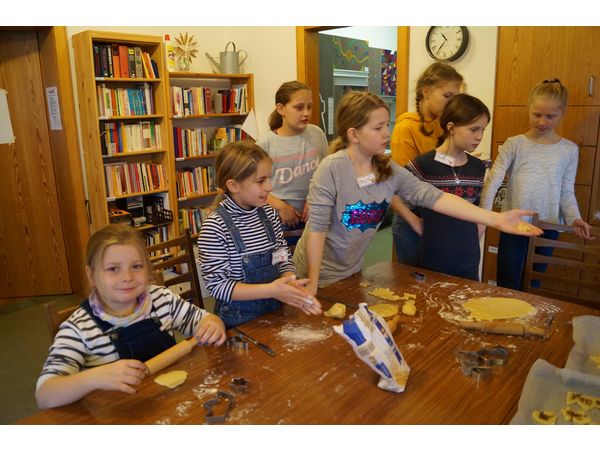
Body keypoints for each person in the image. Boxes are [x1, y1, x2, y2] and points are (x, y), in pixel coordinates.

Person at [291, 90, 542, 293]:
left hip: (351, 269)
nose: (386, 133)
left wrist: (495, 218)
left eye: (386, 125)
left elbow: (436, 197)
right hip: (313, 269)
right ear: (354, 134)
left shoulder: (388, 169)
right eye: (378, 128)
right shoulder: (332, 168)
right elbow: (317, 229)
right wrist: (312, 282)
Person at [36, 223, 226, 409]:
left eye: (136, 266)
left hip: (172, 403)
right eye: (113, 269)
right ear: (91, 275)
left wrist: (213, 323)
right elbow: (45, 394)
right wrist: (96, 377)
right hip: (119, 416)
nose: (127, 277)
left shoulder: (161, 299)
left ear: (147, 269)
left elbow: (205, 320)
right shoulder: (79, 329)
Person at [480, 79, 594, 290]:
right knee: (507, 284)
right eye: (537, 114)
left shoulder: (569, 150)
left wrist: (575, 218)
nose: (542, 121)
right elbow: (493, 180)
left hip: (547, 226)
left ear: (563, 113)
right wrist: (483, 217)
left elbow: (566, 191)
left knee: (532, 284)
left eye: (550, 116)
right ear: (529, 109)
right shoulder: (515, 143)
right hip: (513, 224)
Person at [198, 141, 322, 328]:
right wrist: (271, 290)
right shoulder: (215, 228)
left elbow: (282, 258)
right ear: (233, 185)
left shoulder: (269, 214)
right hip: (239, 322)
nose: (270, 187)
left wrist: (290, 281)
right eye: (261, 181)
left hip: (275, 311)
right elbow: (219, 287)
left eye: (269, 179)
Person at [403, 93, 489, 281]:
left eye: (483, 130)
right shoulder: (423, 164)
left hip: (468, 256)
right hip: (433, 254)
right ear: (451, 127)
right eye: (474, 129)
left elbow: (479, 205)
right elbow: (393, 191)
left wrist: (477, 233)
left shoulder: (478, 167)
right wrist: (414, 222)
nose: (479, 136)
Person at [390, 62, 464, 266]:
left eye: (455, 98)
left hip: (437, 212)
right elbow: (402, 184)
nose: (452, 103)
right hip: (412, 216)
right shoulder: (406, 128)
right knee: (412, 283)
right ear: (426, 92)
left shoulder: (444, 125)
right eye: (447, 96)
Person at [256, 81, 328, 246]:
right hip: (279, 221)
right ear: (281, 109)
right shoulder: (265, 143)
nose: (306, 113)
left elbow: (325, 173)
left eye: (309, 107)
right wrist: (281, 207)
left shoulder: (317, 134)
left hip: (314, 216)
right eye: (299, 107)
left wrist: (314, 197)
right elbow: (253, 186)